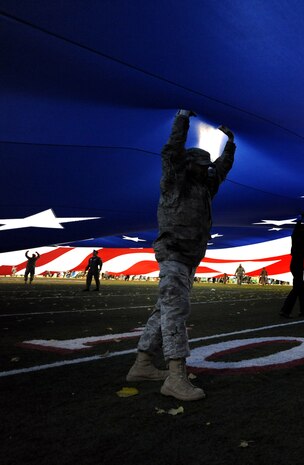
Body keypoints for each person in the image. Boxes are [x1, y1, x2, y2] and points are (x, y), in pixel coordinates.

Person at [126, 109, 236, 401]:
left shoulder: (204, 188)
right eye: (201, 166)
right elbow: (171, 150)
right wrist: (182, 120)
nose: (206, 169)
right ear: (189, 165)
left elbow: (222, 169)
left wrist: (231, 144)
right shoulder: (174, 180)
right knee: (176, 311)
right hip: (174, 252)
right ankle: (175, 377)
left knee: (163, 310)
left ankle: (143, 364)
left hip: (188, 257)